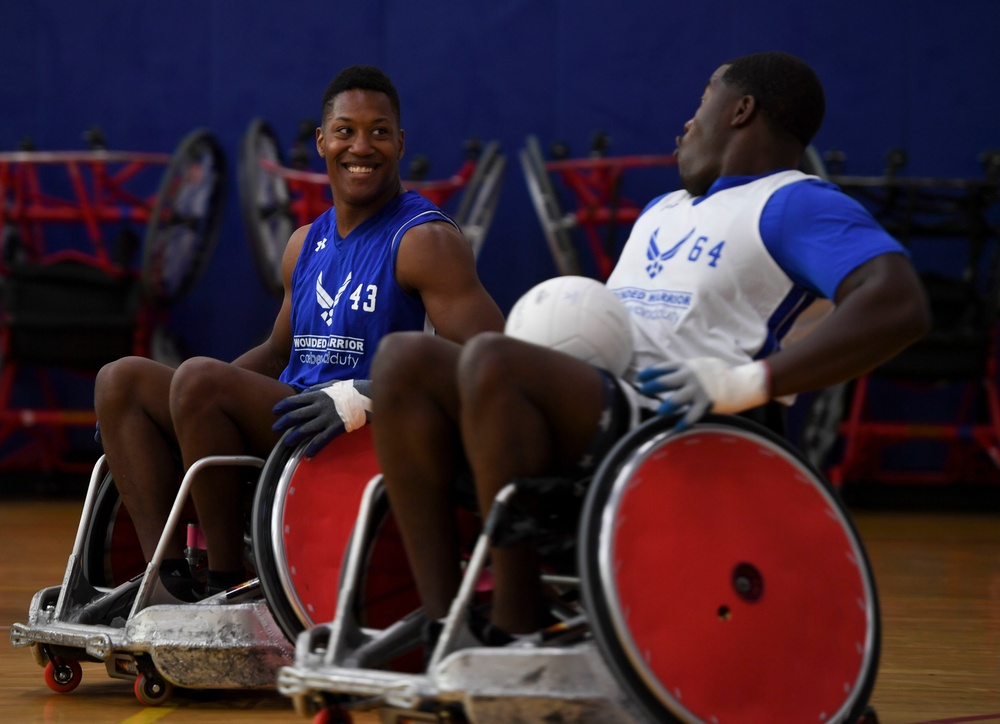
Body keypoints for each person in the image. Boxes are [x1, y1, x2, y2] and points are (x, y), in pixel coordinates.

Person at [371, 51, 931, 644]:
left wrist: (746, 382)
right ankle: (443, 627)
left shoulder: (792, 202)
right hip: (600, 408)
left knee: (493, 358)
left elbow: (899, 303)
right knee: (405, 358)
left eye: (700, 104)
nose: (685, 125)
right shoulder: (663, 209)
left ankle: (517, 622)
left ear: (741, 110)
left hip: (682, 425)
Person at [85, 65, 504, 623]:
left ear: (400, 144)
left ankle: (230, 584)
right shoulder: (305, 242)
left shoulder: (424, 240)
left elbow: (492, 359)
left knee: (199, 381)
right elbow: (277, 352)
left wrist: (368, 392)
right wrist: (180, 408)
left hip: (362, 436)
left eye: (379, 132)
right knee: (121, 381)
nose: (362, 146)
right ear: (322, 142)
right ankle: (165, 581)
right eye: (346, 130)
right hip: (294, 422)